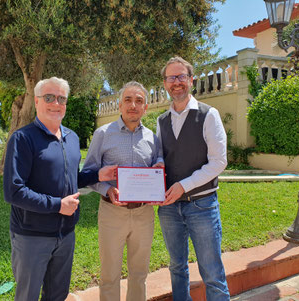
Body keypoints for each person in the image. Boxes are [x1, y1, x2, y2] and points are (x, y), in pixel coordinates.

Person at [3, 77, 116, 301]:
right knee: (27, 296)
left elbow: (70, 179)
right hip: (32, 236)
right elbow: (13, 191)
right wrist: (58, 205)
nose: (56, 103)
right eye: (49, 97)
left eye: (61, 98)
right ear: (36, 101)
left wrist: (97, 175)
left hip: (66, 235)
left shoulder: (71, 138)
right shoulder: (22, 139)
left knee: (57, 295)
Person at [156, 57, 230, 301]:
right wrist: (156, 168)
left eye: (181, 77)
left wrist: (183, 186)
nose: (176, 82)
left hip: (202, 205)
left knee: (212, 273)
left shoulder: (209, 115)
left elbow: (219, 162)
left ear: (191, 80)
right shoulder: (161, 121)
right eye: (171, 78)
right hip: (168, 208)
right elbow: (161, 157)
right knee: (177, 267)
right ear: (165, 83)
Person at [82, 81, 163, 301]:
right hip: (112, 213)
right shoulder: (103, 134)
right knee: (109, 274)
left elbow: (158, 163)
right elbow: (88, 172)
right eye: (128, 100)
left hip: (144, 214)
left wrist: (159, 171)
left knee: (139, 273)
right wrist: (107, 189)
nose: (133, 105)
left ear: (145, 108)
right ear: (120, 105)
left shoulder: (152, 138)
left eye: (139, 101)